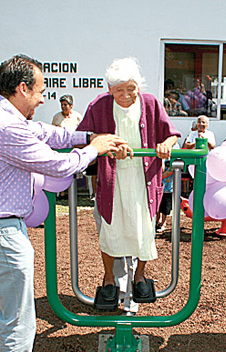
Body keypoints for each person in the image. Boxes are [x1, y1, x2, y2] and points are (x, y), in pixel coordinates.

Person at [0, 54, 128, 352]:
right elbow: (55, 165)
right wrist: (94, 149)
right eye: (40, 91)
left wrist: (91, 135)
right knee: (20, 322)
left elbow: (51, 133)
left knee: (0, 310)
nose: (43, 98)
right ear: (22, 88)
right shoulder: (4, 126)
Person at [77, 57, 180, 304]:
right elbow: (83, 137)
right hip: (113, 180)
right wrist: (106, 145)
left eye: (131, 88)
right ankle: (109, 279)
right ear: (109, 89)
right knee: (111, 230)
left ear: (138, 86)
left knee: (144, 229)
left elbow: (172, 134)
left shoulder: (151, 103)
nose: (125, 95)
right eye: (119, 90)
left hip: (144, 179)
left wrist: (166, 144)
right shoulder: (99, 105)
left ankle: (140, 277)